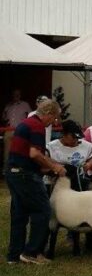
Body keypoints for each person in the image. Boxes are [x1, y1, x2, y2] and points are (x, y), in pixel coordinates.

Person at [6, 99, 65, 264]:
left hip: (13, 172)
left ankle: (14, 255)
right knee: (43, 211)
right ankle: (32, 252)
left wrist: (48, 164)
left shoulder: (25, 123)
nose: (53, 122)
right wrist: (55, 167)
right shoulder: (37, 126)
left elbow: (29, 153)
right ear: (49, 113)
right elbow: (35, 154)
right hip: (26, 175)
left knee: (19, 214)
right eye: (54, 118)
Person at [46, 120, 92, 191]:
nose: (75, 140)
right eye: (73, 137)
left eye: (77, 138)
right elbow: (43, 163)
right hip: (56, 185)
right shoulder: (51, 147)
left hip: (78, 184)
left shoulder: (86, 146)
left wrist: (88, 164)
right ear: (64, 134)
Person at [2, 89, 31, 166]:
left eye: (18, 94)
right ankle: (6, 169)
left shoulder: (25, 105)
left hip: (20, 131)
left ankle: (19, 170)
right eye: (14, 94)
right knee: (7, 152)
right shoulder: (8, 106)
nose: (16, 95)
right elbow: (4, 118)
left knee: (19, 150)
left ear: (20, 95)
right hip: (8, 130)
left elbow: (30, 116)